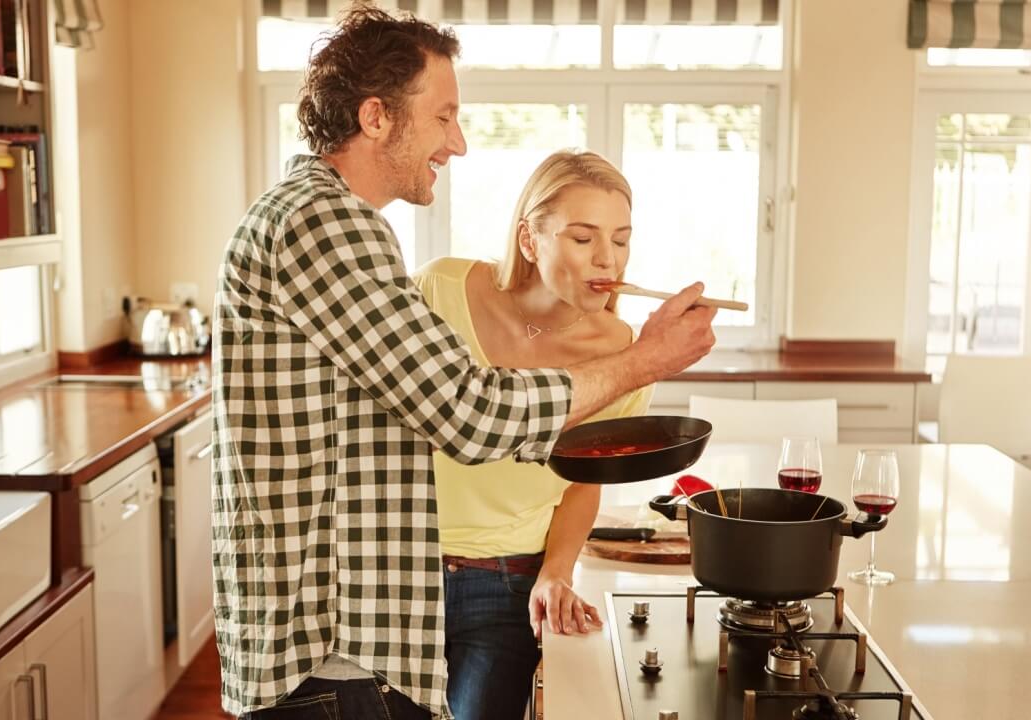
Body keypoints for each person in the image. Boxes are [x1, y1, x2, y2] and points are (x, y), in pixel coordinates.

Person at [210, 7, 718, 720]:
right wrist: (645, 361)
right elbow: (469, 413)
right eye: (444, 116)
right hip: (325, 638)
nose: (460, 142)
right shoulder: (326, 223)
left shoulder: (327, 219)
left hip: (350, 630)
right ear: (377, 116)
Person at [412, 150, 646, 720]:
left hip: (508, 582)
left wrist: (555, 572)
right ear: (529, 239)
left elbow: (584, 481)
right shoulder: (440, 288)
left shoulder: (623, 351)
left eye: (621, 239)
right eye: (584, 238)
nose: (607, 259)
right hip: (402, 566)